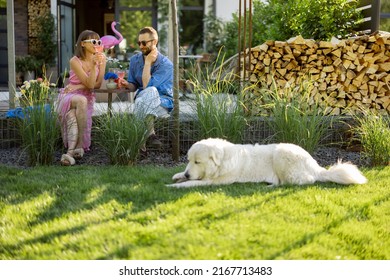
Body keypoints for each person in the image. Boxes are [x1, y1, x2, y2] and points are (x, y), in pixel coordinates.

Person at [56, 30, 106, 166]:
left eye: (99, 42)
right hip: (69, 96)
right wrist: (94, 66)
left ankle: (70, 152)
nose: (97, 44)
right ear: (83, 44)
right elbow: (90, 84)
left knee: (72, 115)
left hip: (86, 97)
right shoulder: (75, 61)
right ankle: (79, 145)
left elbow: (96, 84)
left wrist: (78, 86)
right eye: (94, 42)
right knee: (81, 101)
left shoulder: (101, 60)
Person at [119, 26, 173, 149]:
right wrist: (127, 84)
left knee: (149, 94)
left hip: (162, 103)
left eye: (144, 43)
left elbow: (147, 86)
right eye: (139, 43)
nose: (141, 46)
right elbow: (134, 86)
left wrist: (148, 63)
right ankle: (150, 135)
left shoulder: (166, 65)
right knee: (143, 99)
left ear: (154, 42)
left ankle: (139, 143)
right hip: (144, 99)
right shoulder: (134, 60)